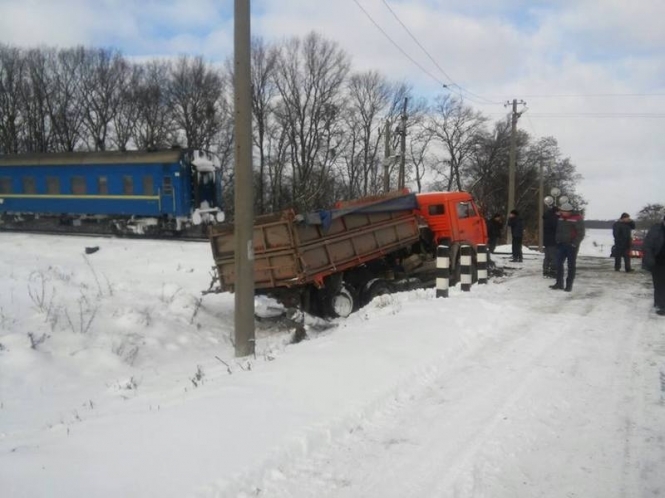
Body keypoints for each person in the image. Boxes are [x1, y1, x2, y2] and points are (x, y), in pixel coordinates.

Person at [550, 202, 585, 292]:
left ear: (569, 211)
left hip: (571, 245)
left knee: (571, 265)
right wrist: (557, 240)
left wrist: (574, 243)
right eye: (561, 211)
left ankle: (569, 285)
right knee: (558, 263)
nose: (562, 213)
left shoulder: (577, 218)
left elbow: (581, 233)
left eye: (564, 211)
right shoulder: (560, 218)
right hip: (561, 244)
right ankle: (559, 283)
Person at [642, 215, 665, 316]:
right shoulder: (655, 230)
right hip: (658, 262)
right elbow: (647, 246)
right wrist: (650, 259)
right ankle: (661, 305)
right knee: (659, 285)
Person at [542, 206, 560, 278]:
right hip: (553, 240)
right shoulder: (554, 218)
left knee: (547, 257)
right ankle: (553, 271)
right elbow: (556, 228)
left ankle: (545, 271)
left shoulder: (547, 217)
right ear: (555, 212)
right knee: (554, 257)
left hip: (546, 240)